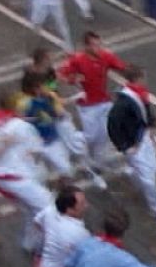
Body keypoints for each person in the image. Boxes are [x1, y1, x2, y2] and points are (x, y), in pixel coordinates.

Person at [0, 92, 53, 256]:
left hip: (3, 178)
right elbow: (37, 150)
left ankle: (30, 244)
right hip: (19, 177)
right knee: (50, 208)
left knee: (33, 210)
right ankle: (52, 247)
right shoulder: (22, 126)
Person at [26, 47, 107, 189]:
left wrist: (71, 78)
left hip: (54, 115)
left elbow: (57, 81)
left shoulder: (47, 72)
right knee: (73, 146)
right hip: (54, 118)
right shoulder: (36, 82)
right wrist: (77, 96)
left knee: (71, 148)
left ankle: (83, 170)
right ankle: (82, 172)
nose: (50, 60)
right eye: (47, 58)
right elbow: (55, 100)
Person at [59, 31, 129, 172]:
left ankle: (97, 162)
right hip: (87, 105)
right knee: (91, 136)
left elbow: (122, 67)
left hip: (104, 101)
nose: (98, 48)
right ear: (86, 46)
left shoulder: (105, 56)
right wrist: (72, 79)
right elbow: (60, 73)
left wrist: (130, 77)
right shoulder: (78, 60)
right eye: (94, 45)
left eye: (99, 44)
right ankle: (71, 141)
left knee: (104, 134)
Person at [107, 65, 156, 214]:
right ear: (138, 79)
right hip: (133, 143)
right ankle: (155, 207)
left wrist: (150, 128)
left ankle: (133, 175)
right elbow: (113, 125)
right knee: (149, 178)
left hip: (142, 137)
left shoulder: (139, 94)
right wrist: (124, 146)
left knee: (151, 169)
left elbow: (145, 116)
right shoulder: (124, 102)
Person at [15, 70, 73, 183]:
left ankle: (63, 186)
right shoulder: (24, 103)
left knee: (65, 168)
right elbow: (18, 120)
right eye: (43, 85)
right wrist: (35, 119)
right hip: (36, 142)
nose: (46, 87)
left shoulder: (49, 97)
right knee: (41, 175)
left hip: (52, 138)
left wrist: (57, 111)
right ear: (35, 88)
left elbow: (58, 114)